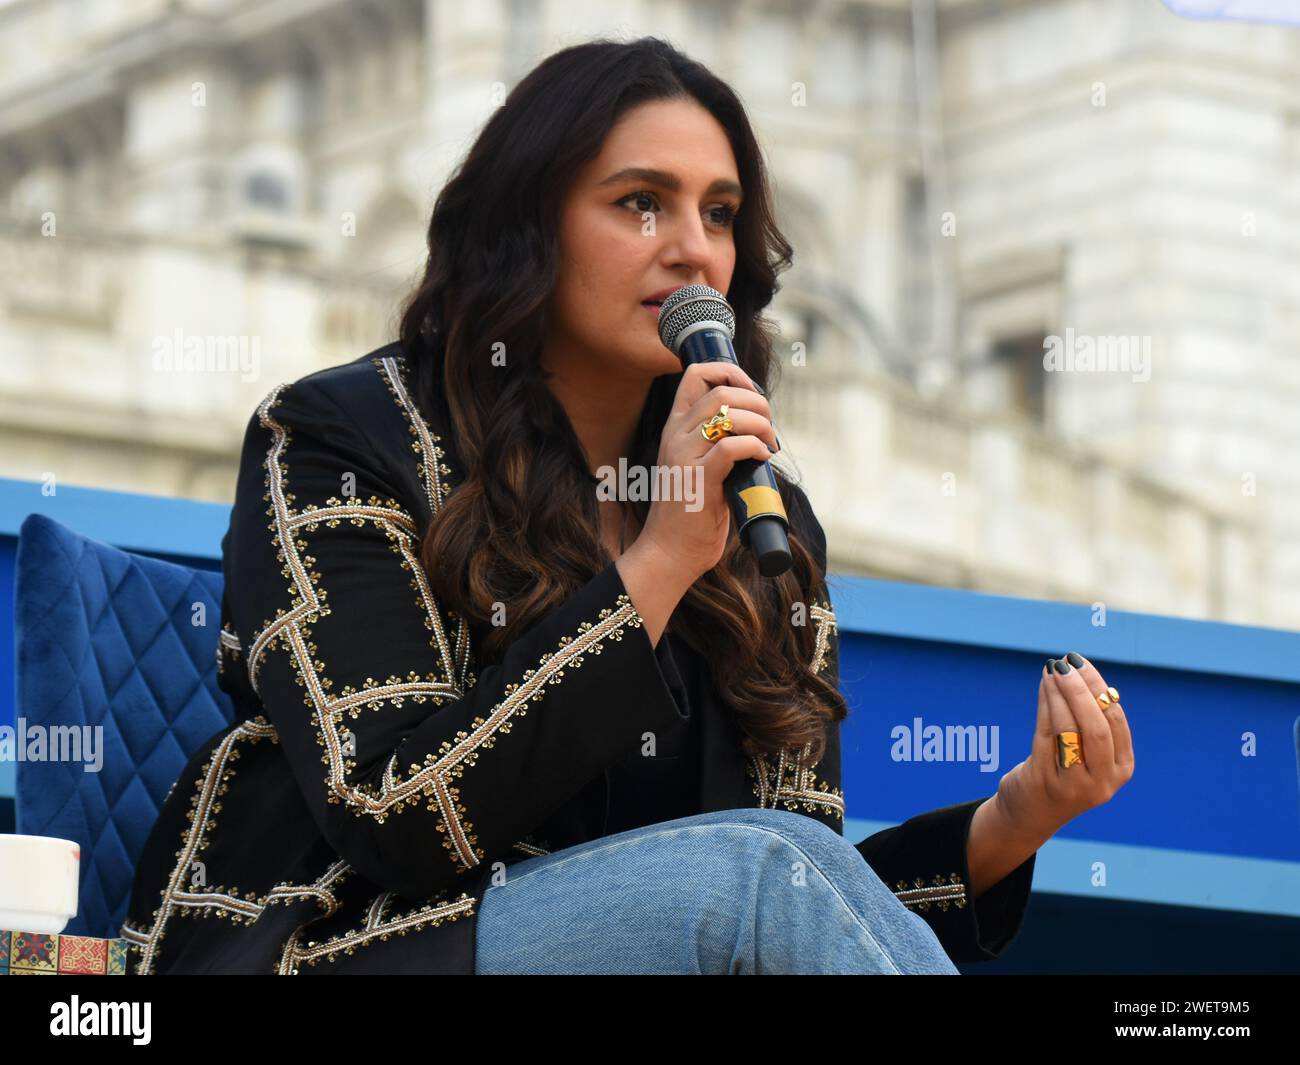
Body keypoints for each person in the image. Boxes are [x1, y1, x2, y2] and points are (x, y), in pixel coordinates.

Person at [123, 37, 1129, 976]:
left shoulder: (758, 509)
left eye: (721, 213)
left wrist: (1010, 821)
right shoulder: (341, 438)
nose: (693, 249)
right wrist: (654, 565)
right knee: (757, 871)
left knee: (770, 867)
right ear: (528, 227)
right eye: (642, 203)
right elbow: (395, 810)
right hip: (340, 942)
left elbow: (808, 883)